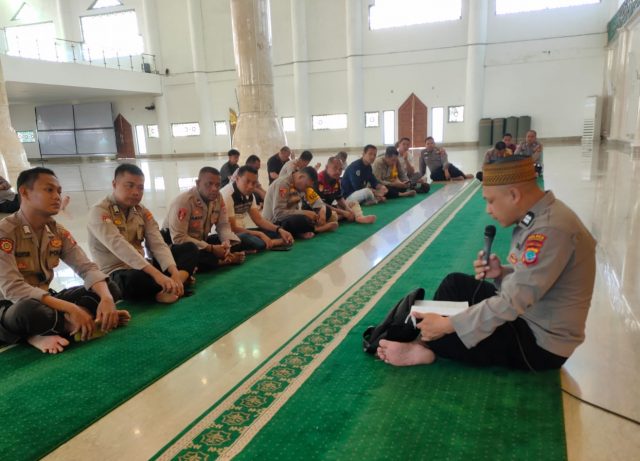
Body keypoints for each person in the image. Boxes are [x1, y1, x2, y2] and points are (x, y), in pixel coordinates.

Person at [377, 156, 596, 371]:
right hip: (529, 314)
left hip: (538, 342)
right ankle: (427, 342)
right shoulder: (542, 216)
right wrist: (501, 273)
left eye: (490, 201)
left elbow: (512, 302)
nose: (488, 210)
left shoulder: (550, 229)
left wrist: (447, 325)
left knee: (444, 331)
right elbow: (536, 280)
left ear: (513, 195)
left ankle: (427, 346)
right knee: (454, 284)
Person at [0, 167, 129, 354]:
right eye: (49, 190)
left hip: (45, 299)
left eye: (59, 191)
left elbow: (87, 268)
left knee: (109, 287)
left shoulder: (57, 231)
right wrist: (72, 309)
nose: (57, 197)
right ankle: (46, 332)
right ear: (25, 192)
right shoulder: (5, 233)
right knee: (27, 312)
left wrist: (107, 299)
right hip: (10, 305)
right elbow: (13, 289)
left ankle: (70, 324)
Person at [88, 164, 199, 304]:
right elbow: (120, 247)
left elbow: (157, 243)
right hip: (117, 272)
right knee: (134, 280)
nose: (136, 192)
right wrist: (157, 275)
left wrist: (174, 271)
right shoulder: (100, 211)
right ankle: (165, 288)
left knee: (190, 248)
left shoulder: (141, 211)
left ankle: (175, 283)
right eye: (130, 186)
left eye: (140, 188)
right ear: (114, 184)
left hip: (144, 266)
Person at [162, 166, 246, 269]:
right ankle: (225, 260)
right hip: (178, 246)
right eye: (209, 184)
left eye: (217, 185)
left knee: (236, 242)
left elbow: (223, 225)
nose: (214, 189)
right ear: (198, 183)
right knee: (193, 252)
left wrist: (226, 244)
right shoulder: (184, 201)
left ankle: (225, 255)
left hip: (201, 242)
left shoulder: (218, 198)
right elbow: (178, 238)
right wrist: (211, 248)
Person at [221, 165, 294, 251]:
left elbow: (259, 220)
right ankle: (272, 243)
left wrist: (279, 230)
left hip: (243, 230)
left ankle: (270, 242)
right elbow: (232, 229)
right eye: (247, 181)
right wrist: (260, 234)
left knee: (276, 233)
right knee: (250, 240)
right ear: (237, 179)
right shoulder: (227, 195)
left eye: (254, 183)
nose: (250, 186)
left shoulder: (250, 195)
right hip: (227, 234)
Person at [263, 167, 338, 239]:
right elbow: (279, 214)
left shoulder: (302, 184)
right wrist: (305, 213)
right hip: (275, 223)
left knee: (326, 211)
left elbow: (319, 202)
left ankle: (305, 230)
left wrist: (322, 212)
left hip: (292, 215)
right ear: (301, 177)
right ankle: (316, 229)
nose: (307, 189)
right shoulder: (283, 185)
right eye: (306, 186)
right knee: (300, 219)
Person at [318, 157, 376, 224]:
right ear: (326, 167)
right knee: (328, 214)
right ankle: (342, 216)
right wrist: (343, 212)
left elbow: (339, 198)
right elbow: (320, 204)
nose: (338, 172)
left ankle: (359, 217)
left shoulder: (336, 179)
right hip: (320, 209)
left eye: (340, 169)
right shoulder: (319, 180)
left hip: (332, 206)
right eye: (335, 168)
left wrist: (347, 208)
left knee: (353, 203)